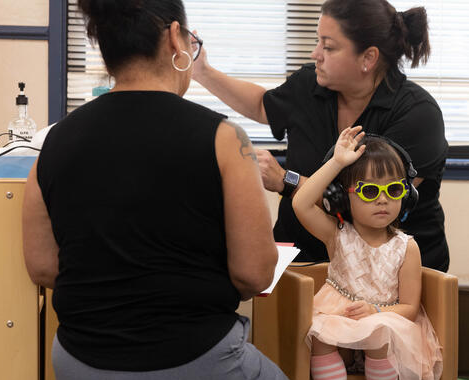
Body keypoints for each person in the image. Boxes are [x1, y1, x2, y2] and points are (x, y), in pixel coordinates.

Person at [22, 1, 298, 380]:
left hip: (81, 376)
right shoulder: (225, 140)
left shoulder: (54, 143)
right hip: (194, 370)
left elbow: (44, 268)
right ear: (176, 38)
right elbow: (253, 274)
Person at [192, 0, 450, 271]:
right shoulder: (310, 84)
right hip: (298, 258)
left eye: (328, 47)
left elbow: (367, 202)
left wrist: (284, 180)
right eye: (318, 42)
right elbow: (262, 105)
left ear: (368, 58)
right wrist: (202, 72)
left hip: (390, 274)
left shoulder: (418, 114)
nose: (316, 54)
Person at [292, 127, 443, 380]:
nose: (383, 199)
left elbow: (409, 307)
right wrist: (336, 162)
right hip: (339, 317)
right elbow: (301, 203)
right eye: (369, 191)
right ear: (340, 197)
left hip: (385, 321)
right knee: (320, 333)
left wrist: (376, 312)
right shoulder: (336, 235)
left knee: (378, 331)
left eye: (394, 189)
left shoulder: (406, 247)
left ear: (406, 196)